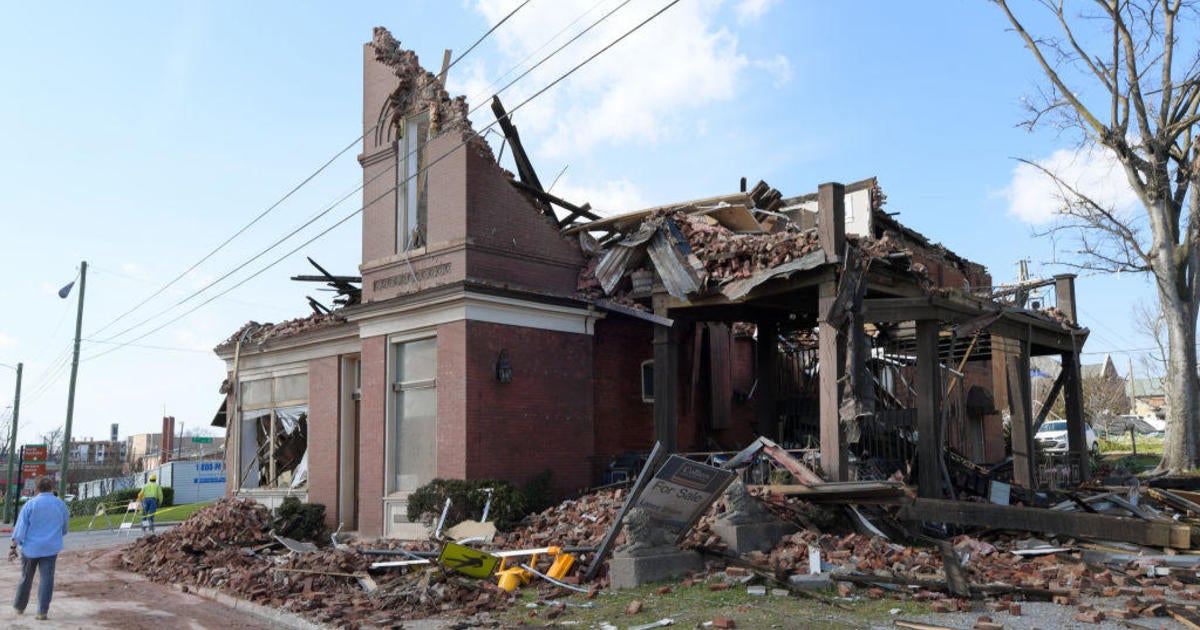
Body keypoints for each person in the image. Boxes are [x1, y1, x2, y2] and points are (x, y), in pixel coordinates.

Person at [9, 476, 69, 620]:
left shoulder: (30, 505)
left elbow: (20, 529)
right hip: (50, 548)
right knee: (47, 579)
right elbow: (65, 527)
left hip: (30, 549)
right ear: (52, 488)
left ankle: (19, 607)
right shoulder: (60, 504)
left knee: (26, 578)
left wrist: (13, 547)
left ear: (36, 489)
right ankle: (42, 612)